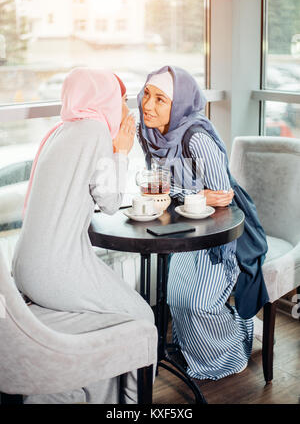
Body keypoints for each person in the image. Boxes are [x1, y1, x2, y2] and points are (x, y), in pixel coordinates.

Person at [12, 68, 155, 403]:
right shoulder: (93, 134)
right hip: (55, 270)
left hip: (25, 268)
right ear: (103, 99)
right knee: (143, 317)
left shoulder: (61, 132)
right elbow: (110, 204)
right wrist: (122, 149)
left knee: (107, 320)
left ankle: (90, 393)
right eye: (120, 99)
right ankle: (133, 407)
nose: (125, 108)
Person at [137, 65, 267, 381]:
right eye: (147, 95)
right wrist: (192, 196)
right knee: (175, 297)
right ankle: (195, 352)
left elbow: (221, 196)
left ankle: (236, 344)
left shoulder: (196, 138)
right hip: (183, 228)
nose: (148, 106)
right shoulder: (151, 134)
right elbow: (160, 187)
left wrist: (179, 194)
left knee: (196, 302)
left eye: (160, 100)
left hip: (220, 233)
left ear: (178, 103)